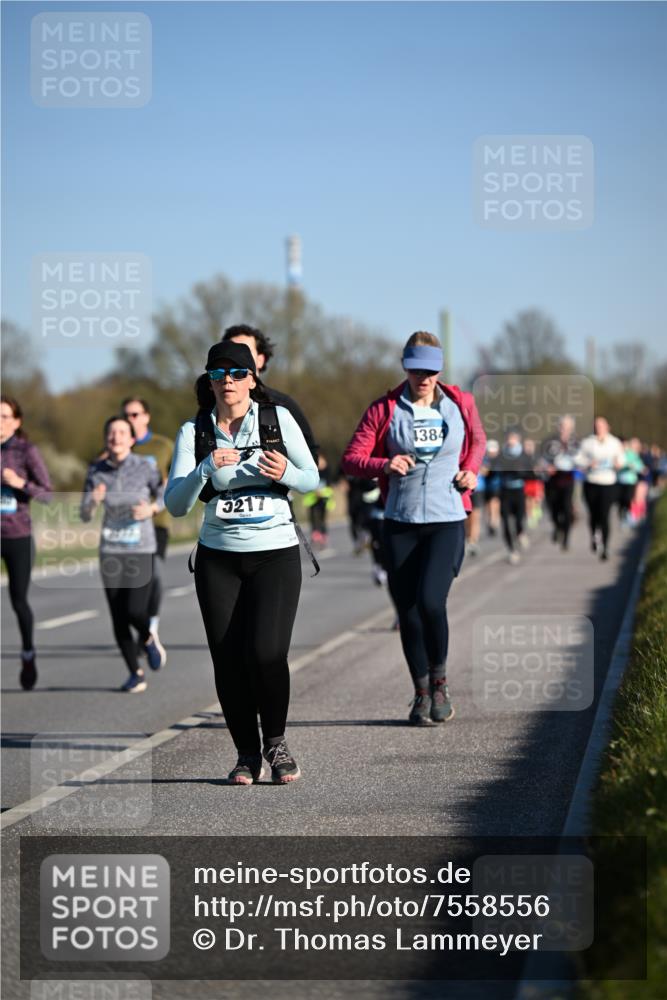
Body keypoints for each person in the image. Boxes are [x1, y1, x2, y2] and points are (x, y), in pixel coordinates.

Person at [165, 341, 318, 784]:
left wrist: (283, 473)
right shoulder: (194, 431)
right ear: (209, 382)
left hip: (274, 553)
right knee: (228, 659)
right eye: (218, 375)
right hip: (219, 559)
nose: (227, 382)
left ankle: (277, 743)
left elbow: (311, 479)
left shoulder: (276, 419)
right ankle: (246, 755)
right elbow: (175, 505)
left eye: (236, 374)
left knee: (267, 654)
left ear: (252, 378)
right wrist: (203, 471)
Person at [342, 331, 486, 726]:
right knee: (407, 611)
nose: (424, 377)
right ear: (405, 366)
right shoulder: (385, 408)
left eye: (431, 370)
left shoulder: (460, 402)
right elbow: (352, 458)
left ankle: (440, 684)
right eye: (416, 368)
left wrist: (470, 472)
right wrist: (383, 465)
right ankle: (421, 692)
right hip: (400, 521)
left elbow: (477, 441)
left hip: (447, 518)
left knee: (430, 602)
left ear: (440, 369)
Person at [81, 416, 166, 692]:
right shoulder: (96, 470)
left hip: (140, 549)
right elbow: (84, 514)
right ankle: (135, 673)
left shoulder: (145, 466)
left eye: (122, 433)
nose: (116, 437)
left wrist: (151, 510)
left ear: (131, 439)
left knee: (134, 610)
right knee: (118, 616)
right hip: (111, 551)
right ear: (106, 438)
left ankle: (147, 637)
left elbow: (166, 493)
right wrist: (93, 500)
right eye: (111, 433)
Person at [0, 396, 52, 690]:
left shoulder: (25, 451)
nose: (0, 422)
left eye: (5, 416)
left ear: (17, 422)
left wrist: (20, 484)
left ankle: (28, 652)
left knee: (18, 600)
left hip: (17, 536)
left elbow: (48, 494)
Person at [221, 324, 319, 462]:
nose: (236, 357)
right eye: (230, 351)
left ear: (260, 360)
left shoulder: (282, 405)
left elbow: (310, 459)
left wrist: (285, 474)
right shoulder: (208, 410)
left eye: (244, 350)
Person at [122, 397, 173, 657]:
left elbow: (176, 480)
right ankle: (141, 630)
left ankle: (150, 625)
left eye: (135, 414)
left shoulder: (163, 446)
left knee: (152, 575)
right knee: (130, 585)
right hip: (127, 528)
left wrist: (155, 505)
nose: (130, 420)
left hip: (156, 524)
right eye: (126, 415)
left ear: (146, 416)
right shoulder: (119, 446)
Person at [575, 416, 625, 561]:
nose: (599, 428)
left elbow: (621, 459)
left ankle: (606, 546)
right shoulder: (587, 442)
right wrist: (589, 463)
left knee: (605, 514)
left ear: (607, 427)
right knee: (593, 514)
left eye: (601, 425)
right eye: (596, 426)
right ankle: (594, 536)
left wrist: (617, 463)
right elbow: (578, 459)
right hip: (591, 482)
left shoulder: (614, 442)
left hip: (608, 483)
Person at [489, 430, 534, 565]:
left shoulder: (524, 455)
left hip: (519, 490)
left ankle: (520, 533)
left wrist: (521, 473)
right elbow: (492, 471)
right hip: (505, 491)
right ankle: (512, 550)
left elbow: (531, 474)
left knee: (519, 520)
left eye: (514, 438)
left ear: (518, 439)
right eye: (509, 438)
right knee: (506, 523)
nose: (511, 441)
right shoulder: (501, 455)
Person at [540, 415, 579, 551]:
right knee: (553, 508)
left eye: (568, 427)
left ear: (572, 428)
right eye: (562, 426)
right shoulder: (549, 441)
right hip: (552, 480)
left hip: (568, 479)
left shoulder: (576, 442)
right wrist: (546, 467)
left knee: (567, 509)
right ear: (558, 427)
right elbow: (541, 459)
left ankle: (566, 539)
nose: (565, 429)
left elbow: (581, 459)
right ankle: (557, 527)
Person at [303, 454, 335, 547]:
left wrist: (323, 492)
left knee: (322, 518)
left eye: (322, 460)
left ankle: (323, 534)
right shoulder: (313, 471)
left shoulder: (327, 471)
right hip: (313, 498)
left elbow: (330, 486)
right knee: (312, 516)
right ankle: (315, 534)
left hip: (324, 498)